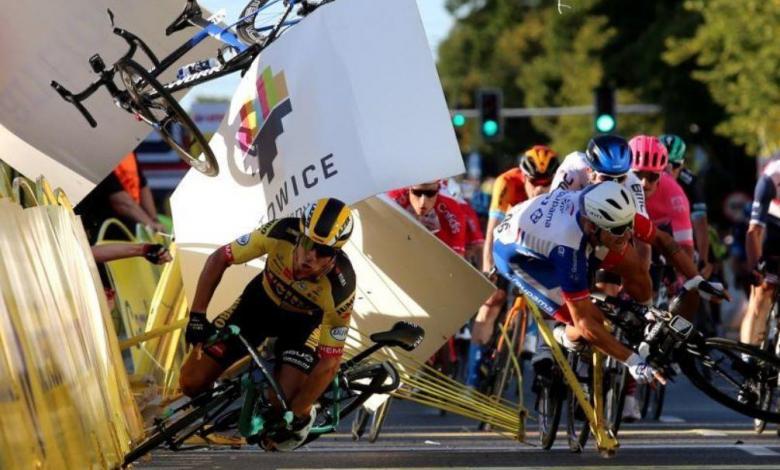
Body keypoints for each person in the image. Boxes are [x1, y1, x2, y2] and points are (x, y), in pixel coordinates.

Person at [179, 197, 356, 451]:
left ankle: (302, 407)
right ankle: (223, 400)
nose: (310, 257)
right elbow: (220, 257)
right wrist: (197, 315)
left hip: (302, 326)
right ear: (300, 236)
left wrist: (296, 413)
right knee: (191, 382)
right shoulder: (280, 232)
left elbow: (330, 362)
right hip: (257, 306)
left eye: (323, 252)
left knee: (281, 406)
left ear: (334, 256)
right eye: (307, 244)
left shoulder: (341, 287)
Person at [492, 182, 666, 385]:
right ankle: (562, 335)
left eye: (629, 225)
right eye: (619, 229)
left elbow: (660, 243)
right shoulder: (567, 247)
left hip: (547, 226)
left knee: (633, 266)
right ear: (593, 226)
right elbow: (585, 323)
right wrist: (633, 361)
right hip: (518, 258)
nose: (628, 234)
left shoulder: (601, 206)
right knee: (588, 324)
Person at [468, 146, 558, 387]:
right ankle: (472, 375)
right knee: (492, 301)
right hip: (505, 241)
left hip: (537, 246)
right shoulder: (506, 182)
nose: (540, 188)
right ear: (523, 175)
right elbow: (491, 233)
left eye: (546, 181)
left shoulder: (560, 189)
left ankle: (519, 350)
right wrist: (488, 271)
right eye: (534, 181)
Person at [75, 152, 166, 243]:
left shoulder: (129, 149)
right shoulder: (99, 153)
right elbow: (119, 200)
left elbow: (142, 184)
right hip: (106, 234)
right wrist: (149, 223)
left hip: (131, 232)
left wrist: (154, 220)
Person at [741, 159, 780, 352]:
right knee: (761, 295)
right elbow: (754, 231)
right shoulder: (771, 177)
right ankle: (749, 357)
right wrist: (756, 267)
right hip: (773, 227)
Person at [660, 134, 711, 276]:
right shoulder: (645, 177)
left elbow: (700, 224)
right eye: (662, 165)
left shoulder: (690, 182)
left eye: (674, 165)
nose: (668, 170)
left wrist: (703, 259)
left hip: (682, 231)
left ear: (682, 164)